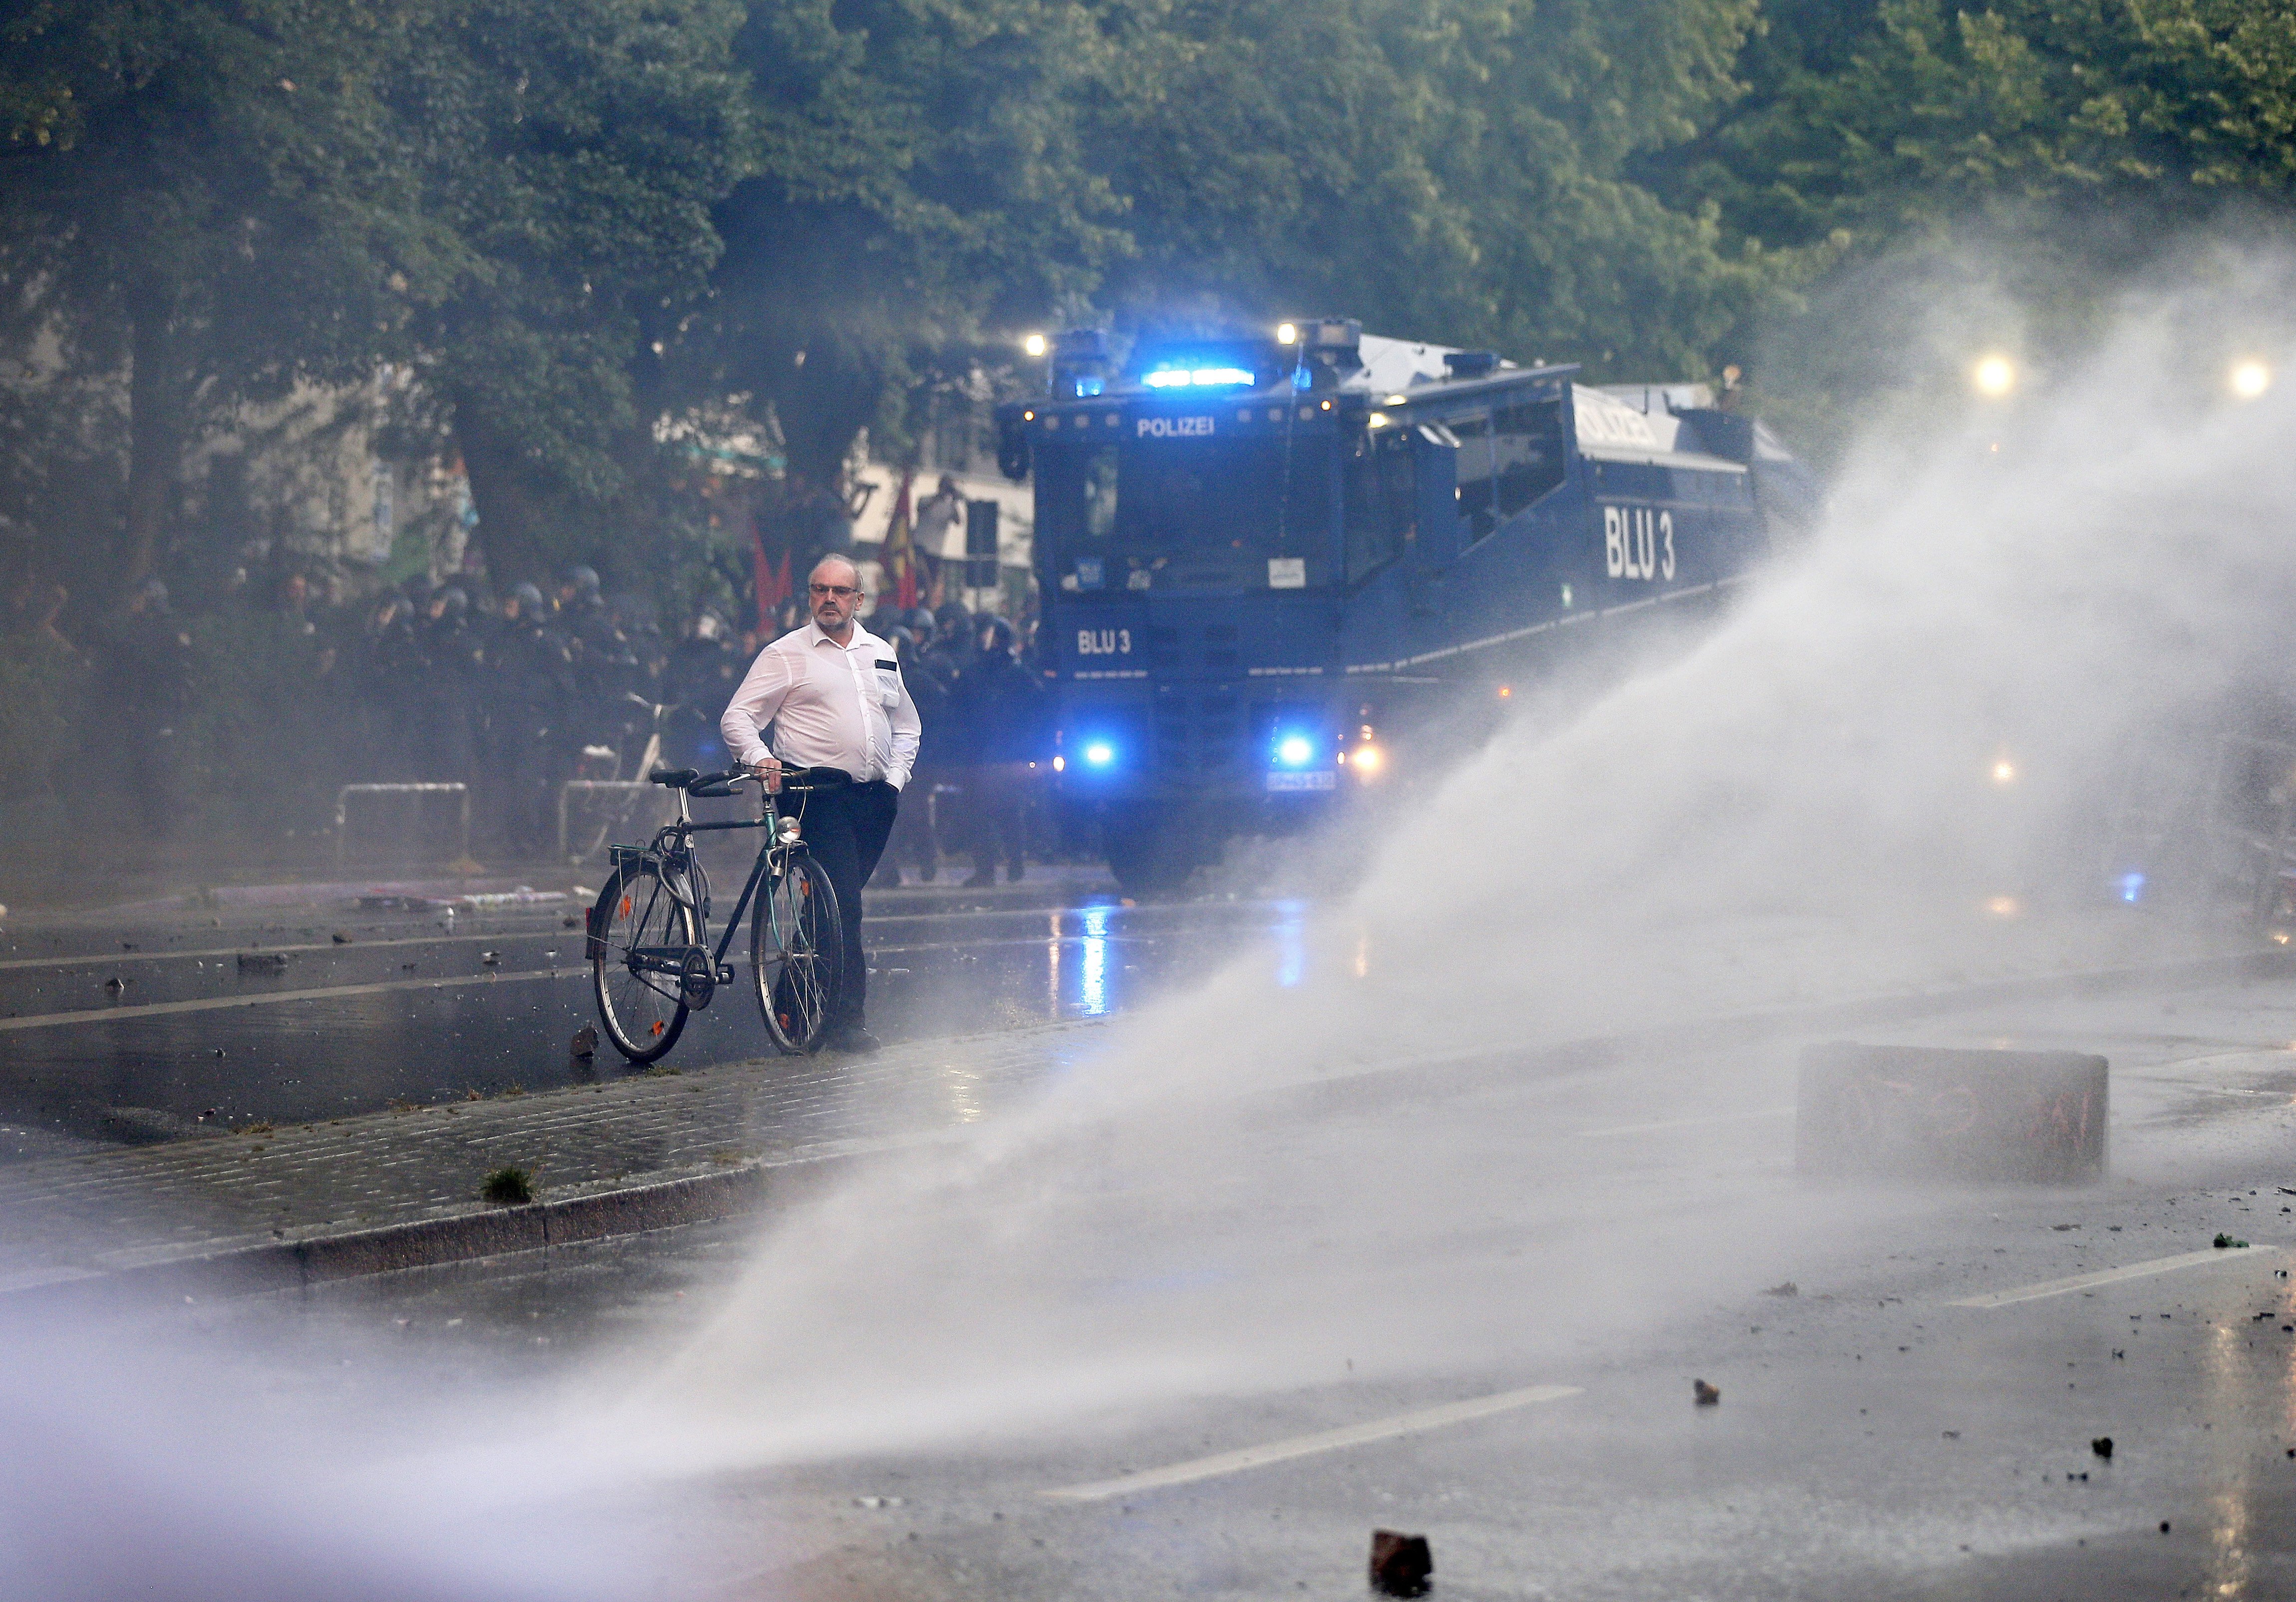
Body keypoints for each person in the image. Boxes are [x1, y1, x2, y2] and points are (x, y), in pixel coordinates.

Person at [720, 554, 920, 1054]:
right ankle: (847, 1020)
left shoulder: (881, 651)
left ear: (858, 599)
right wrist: (762, 759)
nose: (829, 599)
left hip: (873, 797)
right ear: (809, 596)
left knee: (826, 907)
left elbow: (907, 724)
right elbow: (738, 717)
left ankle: (794, 1003)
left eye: (840, 591)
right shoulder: (786, 652)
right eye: (819, 589)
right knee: (844, 905)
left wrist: (895, 779)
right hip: (813, 795)